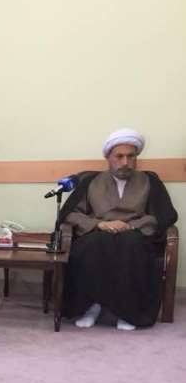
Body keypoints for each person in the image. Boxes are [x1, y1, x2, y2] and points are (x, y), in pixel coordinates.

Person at [60, 128, 178, 330]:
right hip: (98, 231)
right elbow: (70, 214)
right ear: (108, 158)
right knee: (92, 245)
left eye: (131, 156)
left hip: (135, 234)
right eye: (119, 156)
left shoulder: (150, 182)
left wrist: (130, 225)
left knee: (130, 244)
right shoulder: (90, 181)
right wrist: (98, 224)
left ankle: (129, 311)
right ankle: (92, 305)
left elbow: (163, 216)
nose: (125, 162)